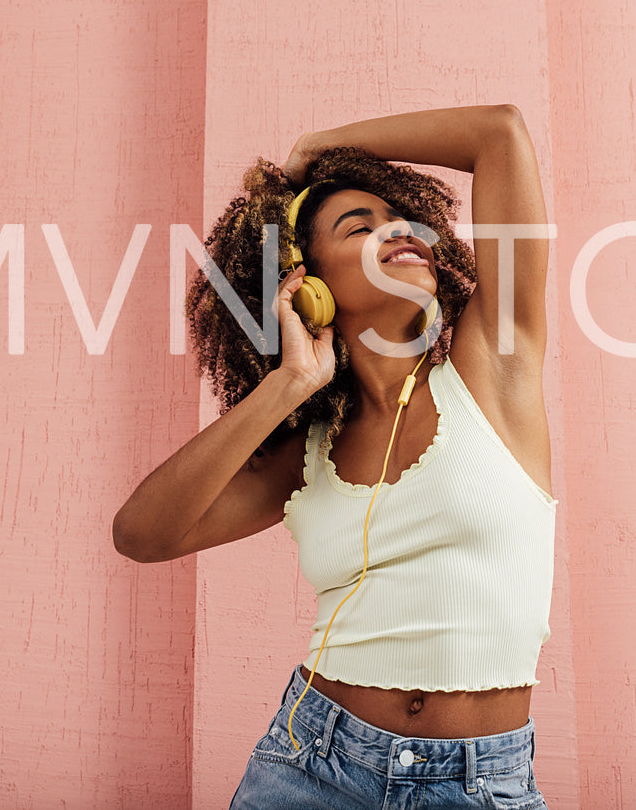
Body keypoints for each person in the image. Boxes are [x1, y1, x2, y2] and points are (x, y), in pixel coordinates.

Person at [113, 104, 556, 809]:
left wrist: (320, 147)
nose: (398, 231)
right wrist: (289, 384)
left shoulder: (493, 367)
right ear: (306, 290)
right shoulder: (307, 453)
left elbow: (497, 133)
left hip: (477, 784)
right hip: (309, 767)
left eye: (400, 217)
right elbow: (141, 535)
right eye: (360, 226)